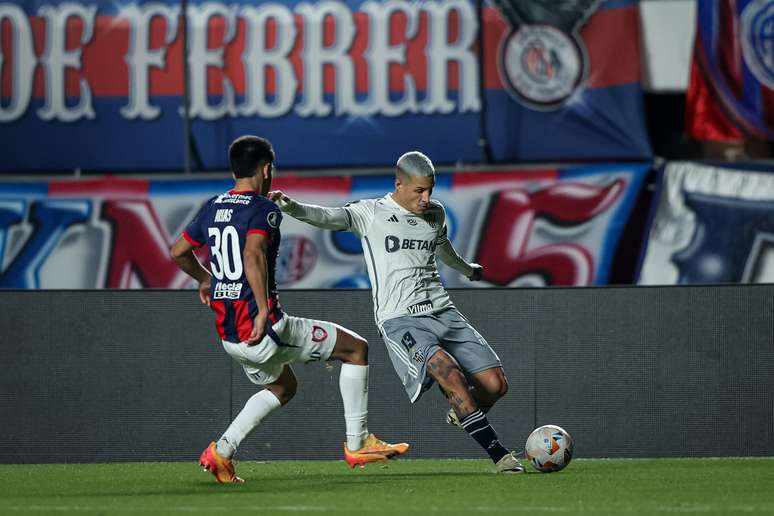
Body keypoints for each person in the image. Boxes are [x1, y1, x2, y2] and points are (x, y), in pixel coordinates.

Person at [170, 135, 409, 483]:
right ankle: (357, 443)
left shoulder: (212, 206)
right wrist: (265, 311)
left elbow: (178, 251)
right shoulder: (263, 209)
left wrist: (205, 279)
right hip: (266, 330)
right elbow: (252, 254)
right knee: (356, 349)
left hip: (231, 336)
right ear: (267, 169)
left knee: (283, 387)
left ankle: (221, 452)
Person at [268, 151, 524, 474]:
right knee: (451, 376)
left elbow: (442, 248)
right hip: (400, 319)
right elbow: (327, 216)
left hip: (443, 310)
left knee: (495, 385)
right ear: (399, 184)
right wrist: (291, 207)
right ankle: (500, 455)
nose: (426, 198)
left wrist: (467, 269)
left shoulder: (435, 214)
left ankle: (464, 413)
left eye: (430, 190)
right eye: (419, 191)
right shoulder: (371, 213)